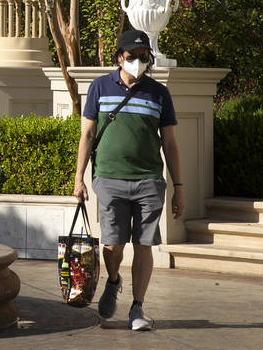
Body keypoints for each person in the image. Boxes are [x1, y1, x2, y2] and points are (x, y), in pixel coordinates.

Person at [73, 29, 183, 332]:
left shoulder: (159, 93)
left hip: (148, 180)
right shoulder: (99, 88)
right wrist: (78, 178)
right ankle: (113, 279)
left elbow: (170, 143)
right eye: (131, 56)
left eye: (143, 57)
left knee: (144, 244)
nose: (137, 61)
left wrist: (178, 187)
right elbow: (87, 134)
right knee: (112, 244)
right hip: (109, 179)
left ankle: (137, 307)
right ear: (119, 57)